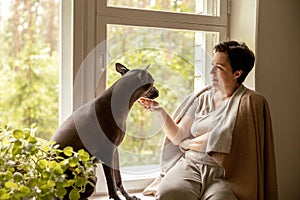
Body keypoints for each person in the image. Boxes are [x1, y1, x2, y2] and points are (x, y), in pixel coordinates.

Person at [138, 41, 278, 200]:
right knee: (169, 193)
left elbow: (221, 139)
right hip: (191, 166)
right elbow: (178, 136)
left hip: (225, 174)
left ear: (237, 73)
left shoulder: (249, 102)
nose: (211, 71)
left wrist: (188, 144)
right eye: (212, 64)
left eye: (219, 67)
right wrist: (159, 111)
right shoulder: (202, 97)